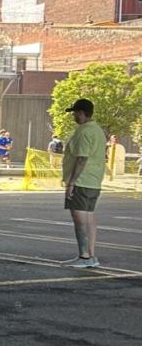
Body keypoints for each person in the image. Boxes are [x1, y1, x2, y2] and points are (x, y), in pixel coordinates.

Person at [60, 98, 107, 268]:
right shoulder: (98, 130)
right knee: (89, 217)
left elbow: (82, 158)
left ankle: (84, 256)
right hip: (94, 181)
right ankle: (91, 256)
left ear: (81, 113)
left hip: (82, 181)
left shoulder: (84, 132)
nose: (74, 116)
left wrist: (71, 182)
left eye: (75, 113)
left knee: (79, 219)